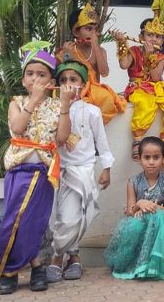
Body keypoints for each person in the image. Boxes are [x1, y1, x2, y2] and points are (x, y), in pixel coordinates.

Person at [0, 43, 72, 295]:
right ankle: (13, 271)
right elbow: (17, 128)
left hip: (44, 173)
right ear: (23, 79)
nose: (35, 79)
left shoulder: (56, 106)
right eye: (30, 74)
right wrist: (34, 101)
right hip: (18, 172)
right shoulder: (16, 103)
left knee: (34, 224)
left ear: (52, 81)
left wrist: (65, 105)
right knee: (14, 222)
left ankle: (35, 268)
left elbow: (62, 138)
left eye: (42, 74)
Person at [48, 60, 114, 282]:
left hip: (83, 170)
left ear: (84, 84)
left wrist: (106, 168)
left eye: (73, 79)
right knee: (60, 218)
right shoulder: (52, 109)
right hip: (58, 170)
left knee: (77, 218)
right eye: (63, 80)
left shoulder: (93, 111)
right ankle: (71, 257)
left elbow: (102, 143)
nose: (68, 84)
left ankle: (61, 257)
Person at [104, 137, 164, 280]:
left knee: (157, 219)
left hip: (162, 225)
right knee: (135, 225)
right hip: (140, 222)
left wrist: (156, 208)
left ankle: (153, 266)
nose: (151, 162)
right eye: (147, 157)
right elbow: (130, 212)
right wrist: (139, 204)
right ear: (139, 159)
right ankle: (137, 265)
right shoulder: (133, 182)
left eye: (156, 157)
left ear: (163, 159)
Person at [114, 19, 164, 160]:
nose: (153, 39)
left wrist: (150, 56)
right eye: (150, 35)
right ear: (141, 37)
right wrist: (121, 43)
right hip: (137, 88)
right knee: (145, 104)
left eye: (158, 36)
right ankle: (137, 140)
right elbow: (124, 65)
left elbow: (155, 77)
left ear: (162, 41)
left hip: (155, 87)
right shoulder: (134, 51)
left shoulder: (162, 57)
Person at [59, 4, 126, 124]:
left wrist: (96, 46)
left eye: (96, 29)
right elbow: (63, 75)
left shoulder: (100, 51)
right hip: (75, 90)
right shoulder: (67, 50)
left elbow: (104, 73)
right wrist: (67, 55)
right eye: (89, 29)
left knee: (107, 98)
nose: (94, 34)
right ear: (76, 32)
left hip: (95, 92)